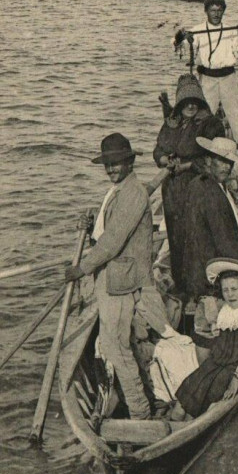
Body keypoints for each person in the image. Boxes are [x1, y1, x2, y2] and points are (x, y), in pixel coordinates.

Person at [65, 133, 175, 420]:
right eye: (107, 164)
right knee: (117, 345)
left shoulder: (133, 193)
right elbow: (106, 231)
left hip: (122, 282)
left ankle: (140, 412)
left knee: (116, 347)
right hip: (114, 277)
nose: (111, 169)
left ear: (129, 162)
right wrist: (89, 227)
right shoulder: (120, 190)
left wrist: (82, 268)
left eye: (116, 163)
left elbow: (112, 241)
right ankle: (145, 401)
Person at [169, 259, 238, 419]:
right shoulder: (227, 312)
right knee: (191, 384)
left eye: (234, 289)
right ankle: (178, 419)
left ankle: (192, 423)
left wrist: (236, 379)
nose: (230, 294)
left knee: (211, 391)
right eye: (225, 290)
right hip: (220, 363)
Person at [153, 74, 224, 294]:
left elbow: (216, 160)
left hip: (198, 186)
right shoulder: (171, 123)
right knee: (177, 238)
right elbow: (158, 150)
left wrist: (187, 166)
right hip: (173, 191)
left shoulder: (211, 124)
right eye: (186, 101)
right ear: (180, 102)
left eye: (195, 100)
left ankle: (202, 288)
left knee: (199, 237)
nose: (191, 105)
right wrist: (165, 160)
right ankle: (182, 286)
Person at [182, 137, 238, 353]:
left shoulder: (197, 184)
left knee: (203, 332)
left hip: (199, 275)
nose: (227, 168)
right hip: (213, 279)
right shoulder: (212, 194)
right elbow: (225, 241)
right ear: (209, 160)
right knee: (215, 332)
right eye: (221, 161)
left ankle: (203, 379)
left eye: (229, 163)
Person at [179, 0, 238, 162]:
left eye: (219, 10)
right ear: (206, 12)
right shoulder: (197, 30)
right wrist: (183, 38)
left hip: (228, 77)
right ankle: (198, 149)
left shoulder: (231, 30)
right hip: (207, 78)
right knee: (205, 114)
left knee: (236, 113)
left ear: (223, 12)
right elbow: (184, 51)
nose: (216, 14)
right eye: (212, 10)